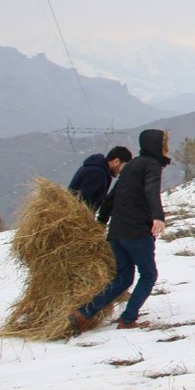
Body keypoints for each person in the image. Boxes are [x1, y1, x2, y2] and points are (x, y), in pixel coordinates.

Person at [68, 129, 169, 333]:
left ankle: (82, 314)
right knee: (148, 275)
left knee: (123, 278)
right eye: (165, 143)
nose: (167, 148)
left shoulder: (131, 165)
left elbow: (110, 198)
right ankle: (128, 319)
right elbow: (151, 189)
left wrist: (102, 222)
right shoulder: (151, 165)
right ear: (157, 145)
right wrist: (158, 216)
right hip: (137, 230)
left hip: (117, 232)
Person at [67, 146, 132, 213]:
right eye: (124, 167)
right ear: (116, 162)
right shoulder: (98, 173)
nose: (123, 171)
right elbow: (83, 200)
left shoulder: (93, 168)